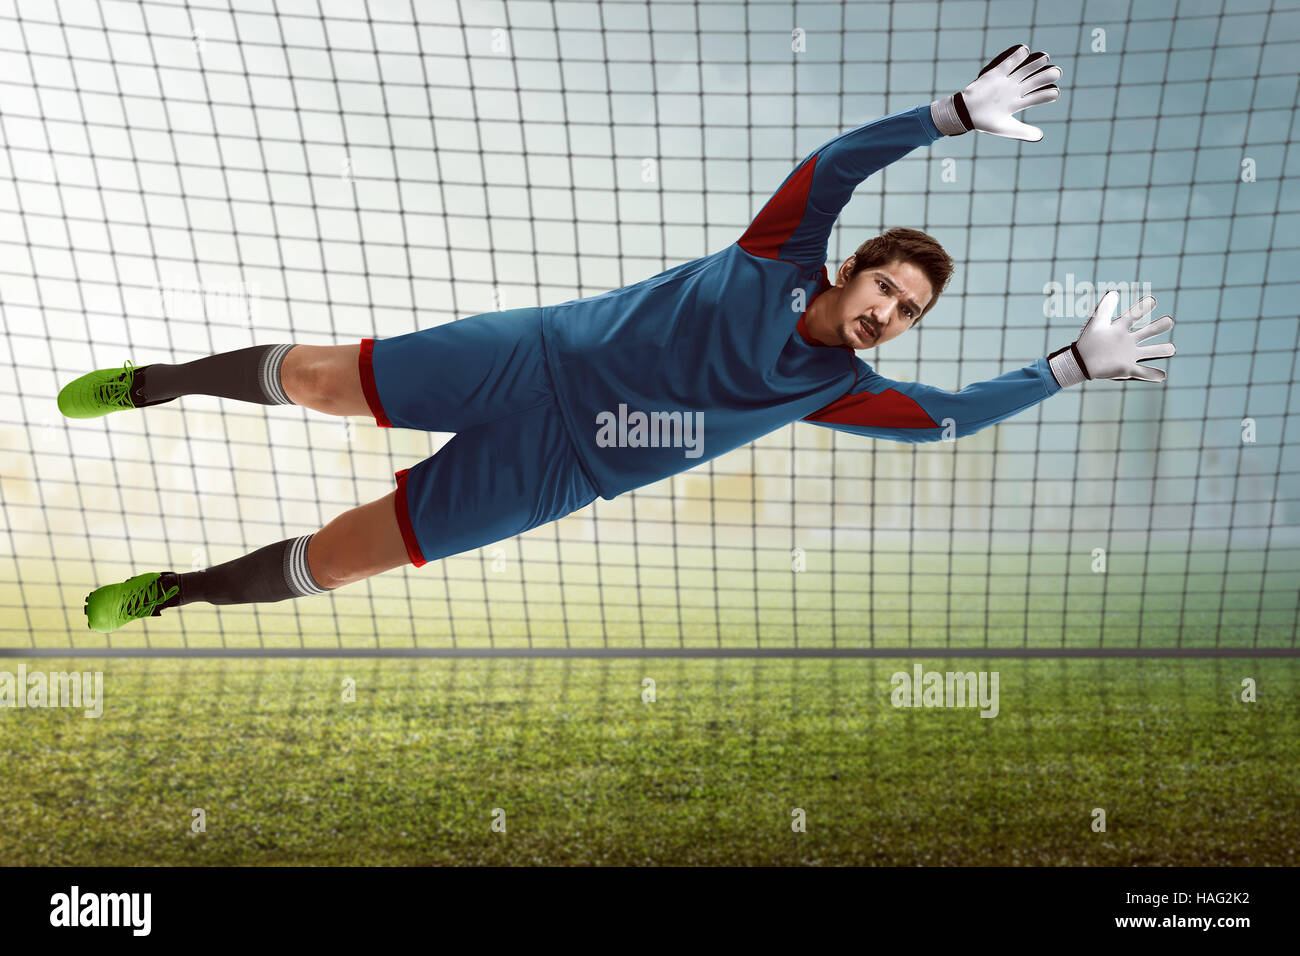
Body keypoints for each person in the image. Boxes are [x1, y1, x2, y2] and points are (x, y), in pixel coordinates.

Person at [59, 45, 1174, 633]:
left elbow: (945, 419)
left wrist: (1066, 367)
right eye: (884, 281)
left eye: (908, 310)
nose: (888, 308)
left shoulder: (832, 390)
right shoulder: (776, 250)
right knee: (317, 380)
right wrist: (947, 116)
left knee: (350, 556)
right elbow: (837, 163)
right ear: (847, 266)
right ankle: (153, 380)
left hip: (561, 467)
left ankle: (173, 591)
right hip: (530, 354)